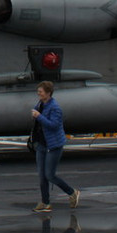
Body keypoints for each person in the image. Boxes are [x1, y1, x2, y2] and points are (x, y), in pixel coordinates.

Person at [29, 80, 80, 213]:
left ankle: (72, 192)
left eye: (40, 91)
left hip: (53, 145)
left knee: (50, 175)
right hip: (41, 144)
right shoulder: (41, 104)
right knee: (42, 176)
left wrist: (39, 116)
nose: (38, 93)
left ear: (48, 93)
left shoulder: (55, 107)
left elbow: (54, 125)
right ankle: (45, 203)